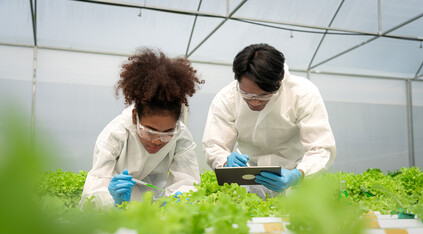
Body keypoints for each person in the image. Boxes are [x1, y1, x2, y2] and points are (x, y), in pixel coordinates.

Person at [202, 43, 336, 198]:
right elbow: (214, 145)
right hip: (248, 177)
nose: (254, 102)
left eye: (263, 96)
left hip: (295, 172)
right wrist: (225, 161)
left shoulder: (303, 93)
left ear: (279, 82)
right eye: (246, 95)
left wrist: (299, 174)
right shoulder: (227, 98)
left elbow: (321, 147)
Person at [80, 48, 204, 208]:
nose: (157, 141)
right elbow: (91, 197)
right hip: (118, 210)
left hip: (158, 205)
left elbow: (187, 181)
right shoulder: (115, 135)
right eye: (150, 132)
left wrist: (182, 198)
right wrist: (111, 199)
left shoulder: (181, 136)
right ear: (134, 118)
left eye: (167, 133)